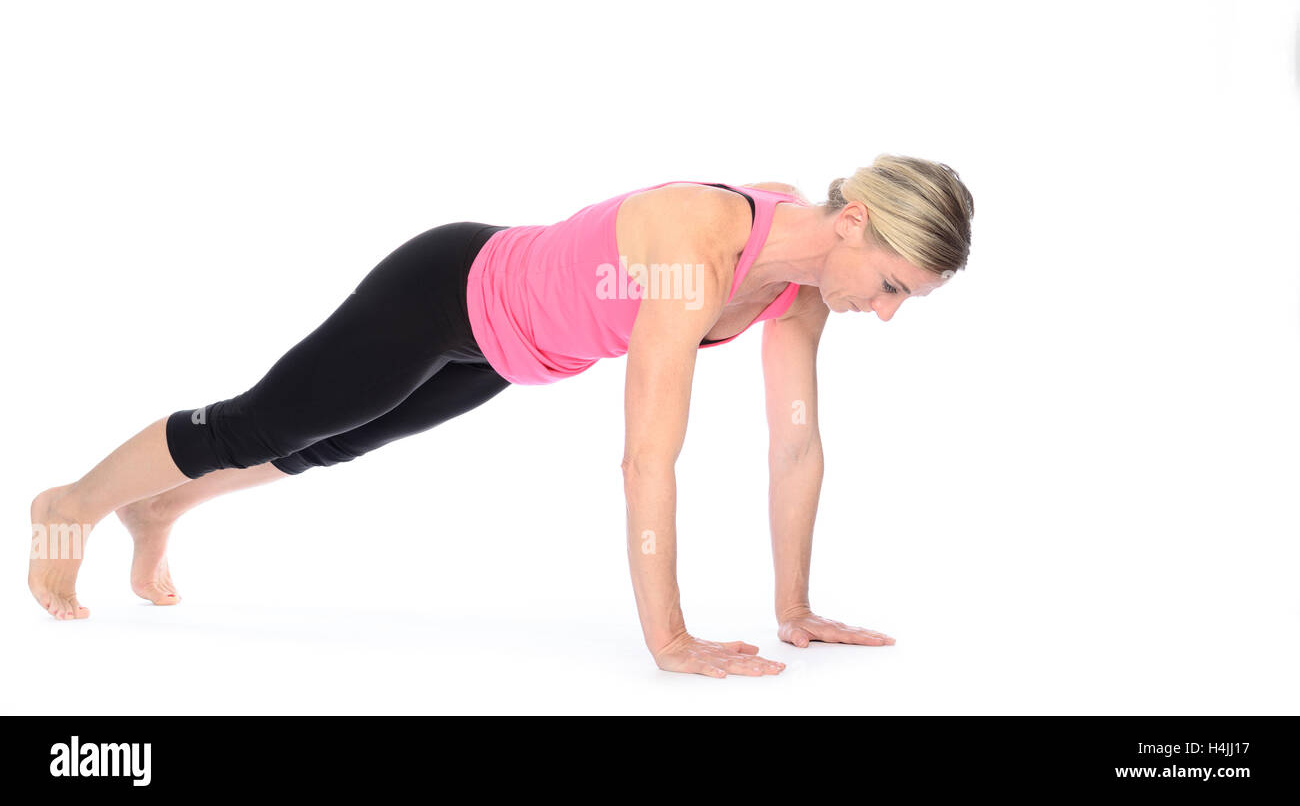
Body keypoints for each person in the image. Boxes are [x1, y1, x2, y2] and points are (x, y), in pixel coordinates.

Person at [29, 154, 974, 678]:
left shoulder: (806, 280)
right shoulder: (701, 248)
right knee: (260, 423)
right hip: (442, 293)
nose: (885, 312)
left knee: (328, 445)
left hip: (507, 352)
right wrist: (670, 637)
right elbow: (648, 458)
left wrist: (793, 606)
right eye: (892, 285)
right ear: (854, 223)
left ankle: (158, 509)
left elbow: (797, 442)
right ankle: (68, 503)